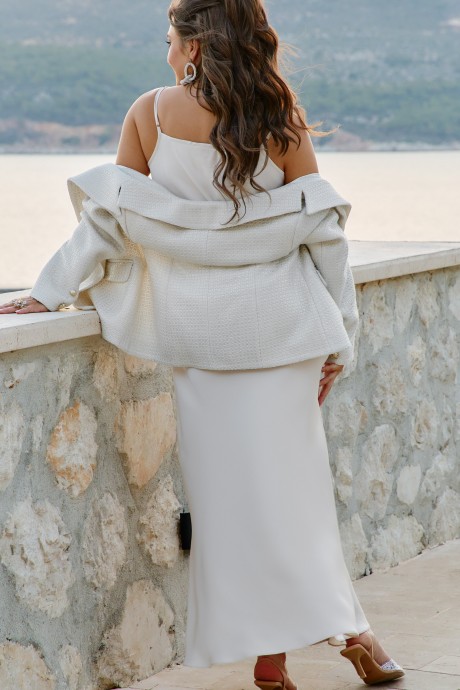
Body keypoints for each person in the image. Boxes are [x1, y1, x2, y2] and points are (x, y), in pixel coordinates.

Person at [0, 1, 405, 687]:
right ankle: (350, 634)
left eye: (170, 40)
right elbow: (325, 237)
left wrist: (48, 290)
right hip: (283, 337)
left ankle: (276, 659)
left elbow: (106, 223)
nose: (166, 53)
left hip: (202, 344)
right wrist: (343, 338)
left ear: (193, 47)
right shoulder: (279, 117)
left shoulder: (150, 115)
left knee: (231, 508)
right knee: (297, 499)